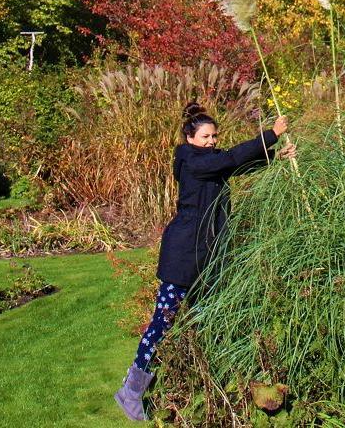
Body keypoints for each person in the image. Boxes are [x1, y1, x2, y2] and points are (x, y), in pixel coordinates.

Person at [114, 102, 296, 422]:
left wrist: (274, 156)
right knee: (162, 322)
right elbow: (229, 159)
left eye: (214, 136)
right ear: (190, 138)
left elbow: (233, 166)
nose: (211, 141)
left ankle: (202, 383)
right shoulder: (191, 161)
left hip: (207, 258)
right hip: (183, 257)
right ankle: (131, 390)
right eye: (205, 137)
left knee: (206, 320)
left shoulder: (208, 161)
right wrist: (271, 134)